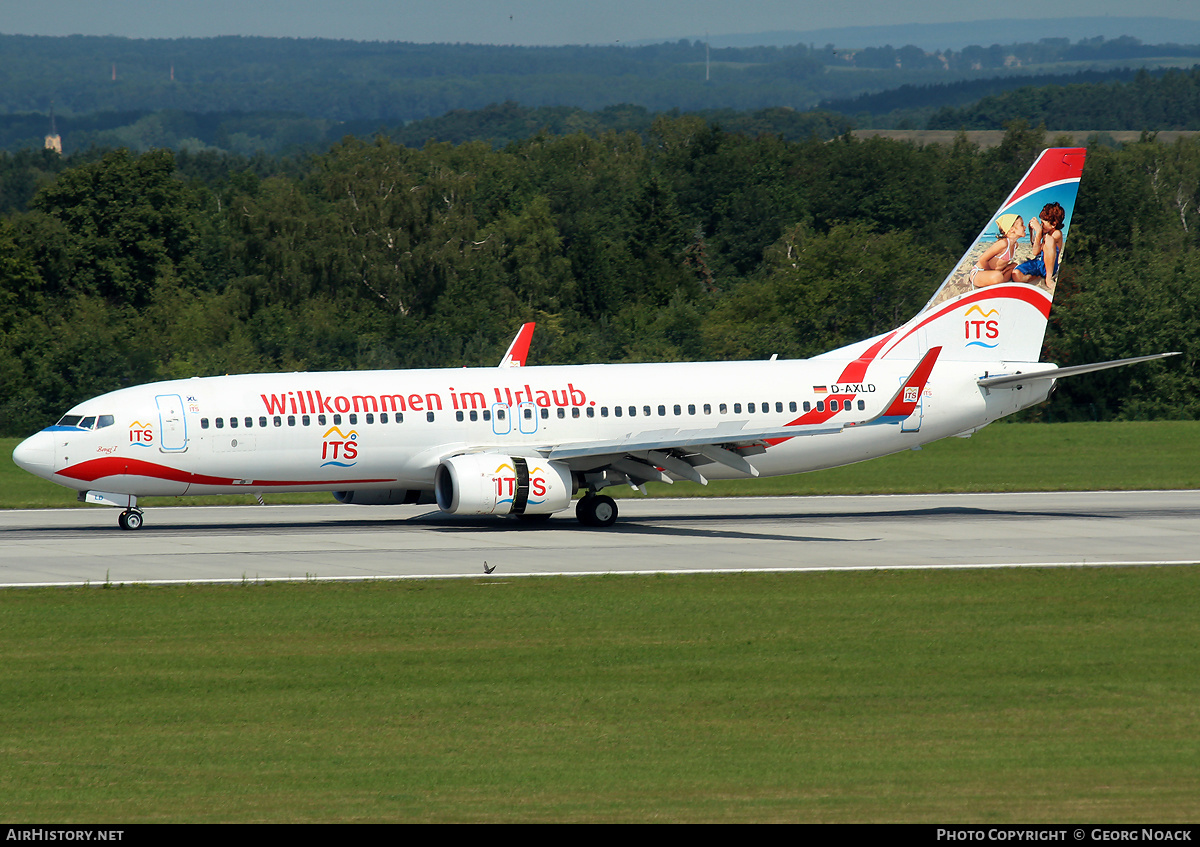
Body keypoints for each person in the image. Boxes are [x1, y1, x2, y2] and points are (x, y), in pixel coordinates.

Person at [1012, 202, 1066, 288]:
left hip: (1048, 267)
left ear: (1054, 224)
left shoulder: (1057, 234)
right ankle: (1036, 277)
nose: (1041, 225)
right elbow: (1035, 251)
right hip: (1037, 263)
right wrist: (1032, 232)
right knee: (1016, 275)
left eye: (1043, 223)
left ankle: (1048, 278)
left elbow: (1047, 244)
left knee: (1048, 239)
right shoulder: (1045, 234)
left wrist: (1039, 232)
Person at [970, 213, 1025, 288]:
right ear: (1012, 229)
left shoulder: (1015, 245)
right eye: (1022, 225)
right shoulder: (1003, 243)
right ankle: (998, 280)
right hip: (980, 272)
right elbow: (982, 259)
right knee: (998, 276)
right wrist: (990, 272)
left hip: (995, 273)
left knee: (1014, 265)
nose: (1025, 227)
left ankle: (999, 280)